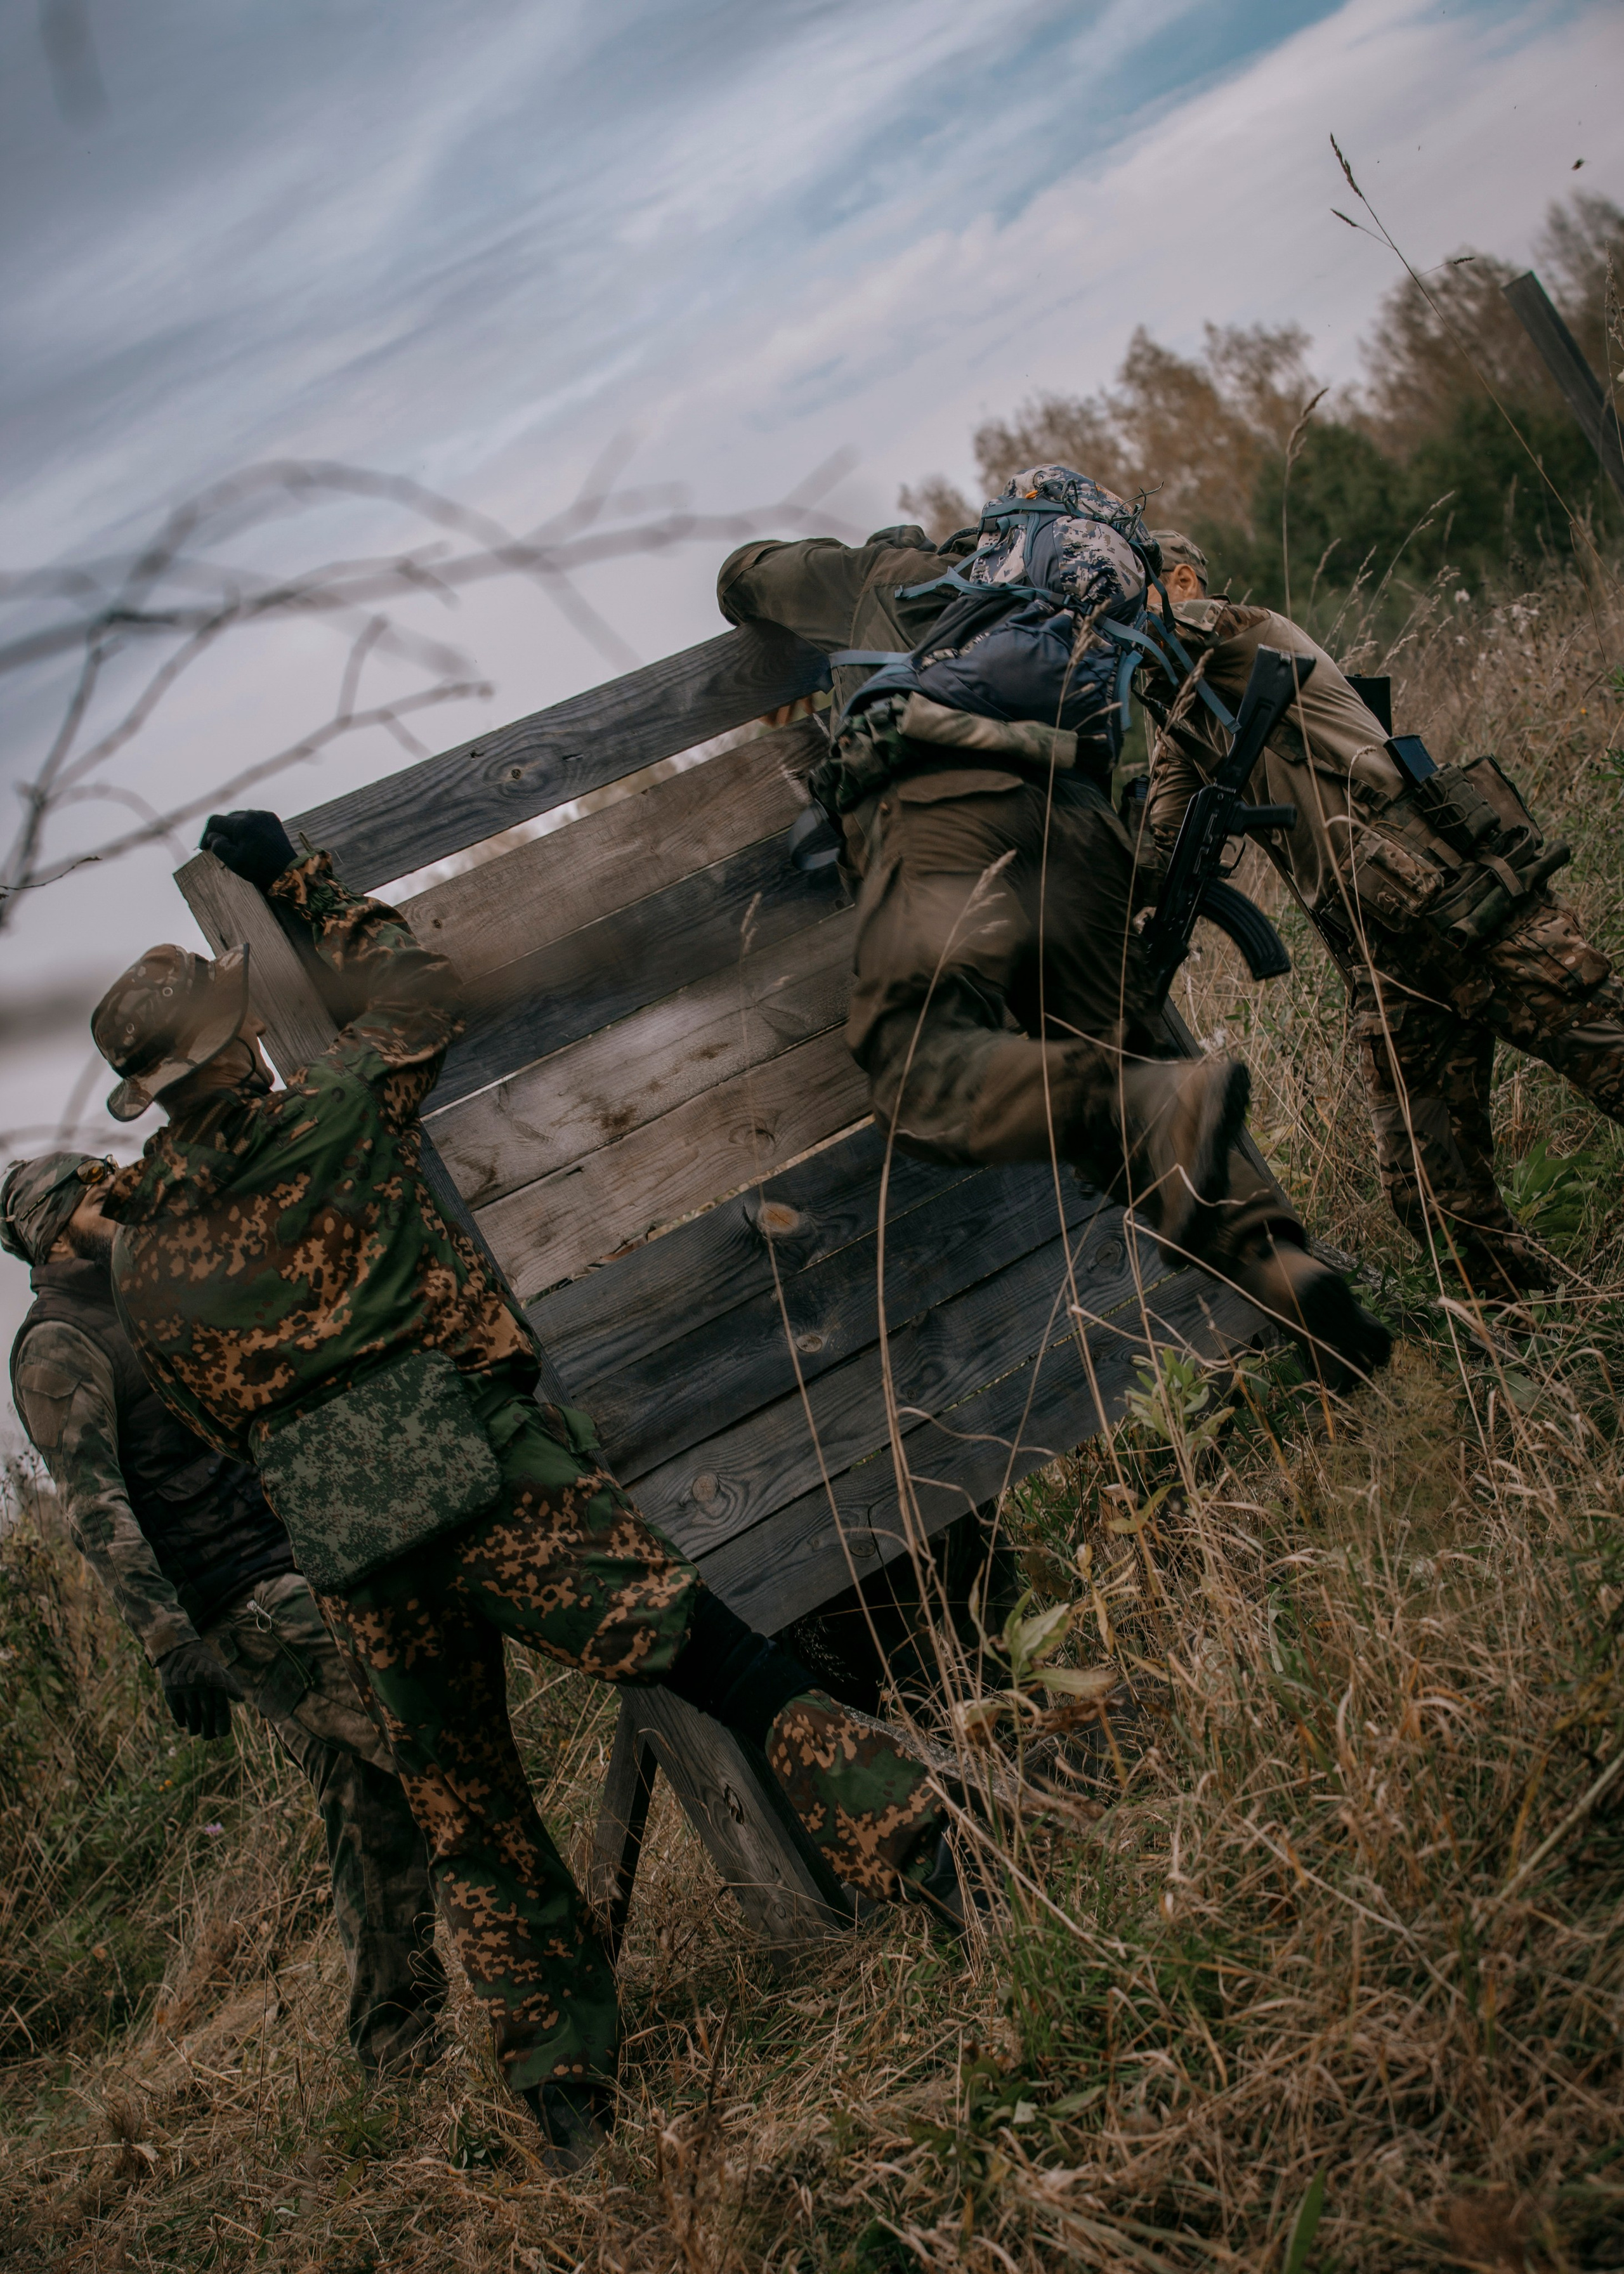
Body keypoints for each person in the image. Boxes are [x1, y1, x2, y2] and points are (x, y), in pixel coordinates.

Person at [86, 811, 953, 2170]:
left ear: (148, 1092)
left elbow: (210, 1419)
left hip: (354, 1547)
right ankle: (920, 1844)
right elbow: (411, 981)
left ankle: (565, 2103)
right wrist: (293, 875)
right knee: (714, 1661)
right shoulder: (328, 1110)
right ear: (235, 1035)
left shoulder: (138, 1261)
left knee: (471, 1816)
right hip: (492, 1475)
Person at [717, 469, 1389, 1383]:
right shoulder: (1059, 599)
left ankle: (1149, 1105)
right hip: (1081, 835)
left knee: (920, 1069)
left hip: (945, 816)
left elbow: (744, 573)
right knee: (1131, 1069)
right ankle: (1292, 1276)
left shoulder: (879, 575)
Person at [2, 1151, 447, 2076]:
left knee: (368, 1804)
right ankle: (530, 1978)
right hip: (247, 1603)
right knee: (421, 1745)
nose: (114, 1203)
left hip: (304, 1558)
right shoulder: (58, 1344)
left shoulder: (154, 1296)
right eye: (92, 1196)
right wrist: (169, 1642)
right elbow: (94, 1503)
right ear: (51, 1231)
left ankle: (397, 2043)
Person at [1141, 530, 1624, 1295]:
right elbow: (1154, 856)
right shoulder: (1181, 719)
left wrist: (1101, 607)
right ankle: (1524, 1331)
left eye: (1126, 591)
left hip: (1466, 910)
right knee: (1428, 1192)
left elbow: (1175, 629)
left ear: (1185, 579)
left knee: (1612, 1059)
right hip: (1381, 962)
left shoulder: (1248, 635)